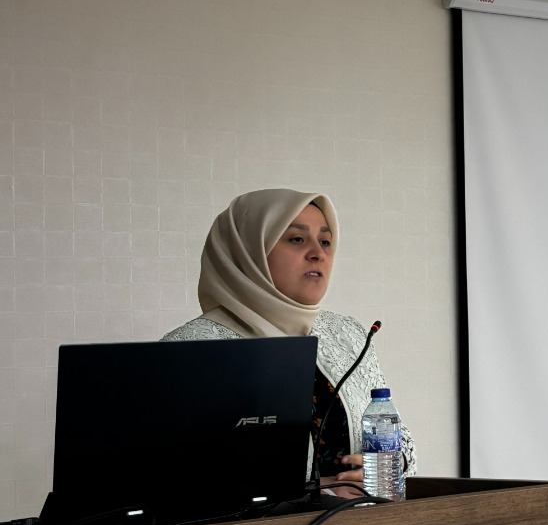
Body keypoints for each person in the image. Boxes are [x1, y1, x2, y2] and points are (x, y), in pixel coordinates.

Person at [161, 188, 414, 494]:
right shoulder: (188, 351)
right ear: (248, 251)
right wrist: (313, 492)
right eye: (296, 239)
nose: (318, 253)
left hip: (366, 520)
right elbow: (168, 475)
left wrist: (391, 464)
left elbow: (399, 438)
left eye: (325, 241)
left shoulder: (348, 334)